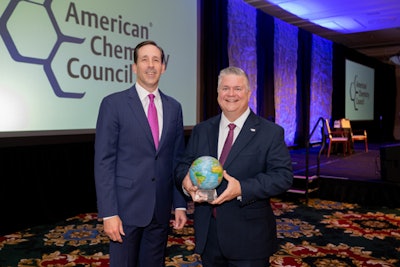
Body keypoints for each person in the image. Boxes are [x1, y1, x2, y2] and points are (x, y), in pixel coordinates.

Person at [175, 66, 293, 267]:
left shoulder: (270, 132)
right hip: (209, 235)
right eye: (225, 88)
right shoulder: (202, 130)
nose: (231, 94)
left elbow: (283, 177)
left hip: (249, 239)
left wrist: (242, 188)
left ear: (248, 93)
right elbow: (183, 165)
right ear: (218, 93)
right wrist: (186, 180)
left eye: (238, 88)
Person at [94, 40, 187, 267]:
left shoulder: (174, 107)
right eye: (144, 59)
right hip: (125, 210)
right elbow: (104, 162)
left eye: (156, 60)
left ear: (163, 67)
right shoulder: (113, 104)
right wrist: (108, 213)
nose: (151, 65)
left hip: (160, 209)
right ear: (134, 67)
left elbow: (176, 160)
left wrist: (180, 204)